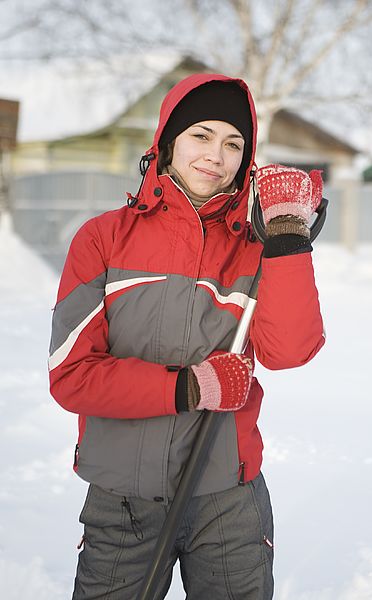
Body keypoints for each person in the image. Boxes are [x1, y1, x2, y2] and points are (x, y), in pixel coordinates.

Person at [48, 73, 325, 599]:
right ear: (168, 139)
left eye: (233, 144)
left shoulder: (255, 246)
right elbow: (71, 377)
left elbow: (288, 352)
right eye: (201, 135)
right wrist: (189, 387)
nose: (216, 156)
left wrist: (288, 245)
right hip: (123, 500)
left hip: (228, 499)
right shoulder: (103, 238)